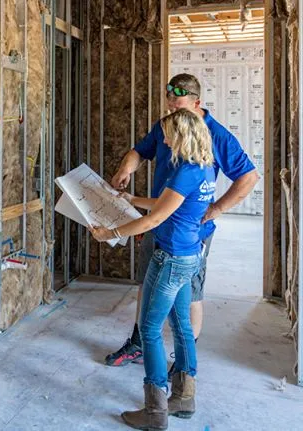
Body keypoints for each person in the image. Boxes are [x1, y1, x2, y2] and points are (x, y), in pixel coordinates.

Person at [104, 74, 259, 376]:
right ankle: (139, 345)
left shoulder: (217, 138)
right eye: (169, 105)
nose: (170, 114)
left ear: (197, 103)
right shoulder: (166, 127)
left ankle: (183, 363)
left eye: (178, 105)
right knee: (146, 285)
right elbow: (140, 151)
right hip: (160, 226)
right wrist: (127, 167)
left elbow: (248, 177)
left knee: (190, 295)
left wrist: (217, 208)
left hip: (188, 233)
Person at [90, 108, 216, 430]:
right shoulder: (203, 169)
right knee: (182, 326)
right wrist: (132, 198)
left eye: (168, 133)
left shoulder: (184, 172)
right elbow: (167, 205)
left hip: (170, 257)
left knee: (148, 330)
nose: (164, 139)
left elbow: (155, 219)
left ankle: (155, 411)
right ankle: (184, 397)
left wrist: (110, 233)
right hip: (190, 256)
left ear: (182, 135)